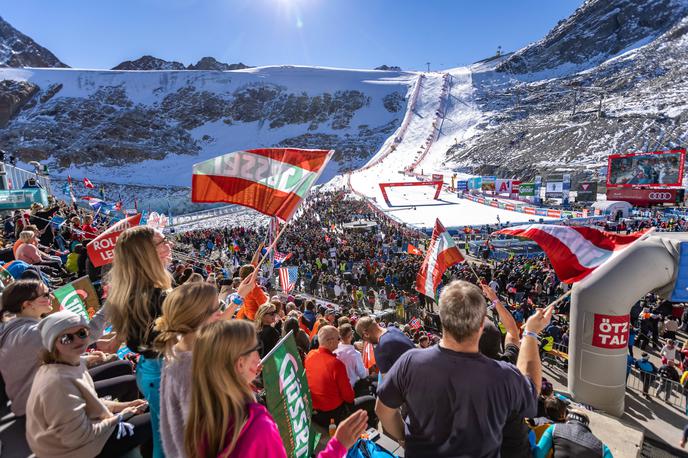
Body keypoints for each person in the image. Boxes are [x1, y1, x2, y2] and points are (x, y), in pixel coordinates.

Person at [375, 280, 548, 457]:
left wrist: (404, 437)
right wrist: (531, 333)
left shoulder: (409, 362)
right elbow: (532, 386)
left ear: (442, 319)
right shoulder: (504, 376)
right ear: (481, 325)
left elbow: (383, 410)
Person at [185, 320, 368, 457]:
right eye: (254, 349)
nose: (259, 357)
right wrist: (338, 445)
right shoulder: (257, 424)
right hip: (331, 414)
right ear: (240, 364)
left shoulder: (201, 410)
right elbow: (347, 395)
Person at [25, 310, 151, 458]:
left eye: (82, 333)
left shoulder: (67, 362)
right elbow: (77, 438)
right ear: (52, 345)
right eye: (66, 338)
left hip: (78, 439)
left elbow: (89, 403)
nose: (78, 340)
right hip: (77, 451)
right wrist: (120, 416)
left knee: (148, 406)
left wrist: (124, 406)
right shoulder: (59, 384)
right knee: (158, 417)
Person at [106, 226, 173, 458]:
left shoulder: (138, 291)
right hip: (163, 372)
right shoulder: (153, 296)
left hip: (154, 370)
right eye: (161, 242)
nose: (168, 246)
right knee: (170, 445)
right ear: (144, 253)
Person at [0, 279, 113, 417]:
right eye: (46, 295)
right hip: (46, 406)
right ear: (28, 304)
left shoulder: (15, 327)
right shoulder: (32, 332)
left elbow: (40, 364)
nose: (52, 297)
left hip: (34, 399)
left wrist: (86, 359)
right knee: (124, 377)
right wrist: (112, 303)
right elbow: (88, 334)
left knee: (119, 367)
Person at [154, 282, 237, 458]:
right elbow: (201, 438)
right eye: (216, 310)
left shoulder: (182, 347)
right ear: (198, 318)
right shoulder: (190, 369)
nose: (221, 314)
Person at [305, 325, 357, 426]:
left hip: (316, 409)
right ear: (330, 341)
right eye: (338, 338)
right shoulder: (336, 364)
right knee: (370, 400)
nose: (340, 341)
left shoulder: (310, 355)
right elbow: (349, 397)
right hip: (333, 413)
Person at [533, 411, 613, 458]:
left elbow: (537, 455)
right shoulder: (603, 449)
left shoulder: (554, 429)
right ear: (586, 425)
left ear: (567, 420)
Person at [334, 323, 368, 389]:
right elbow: (363, 375)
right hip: (351, 388)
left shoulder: (334, 350)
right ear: (351, 336)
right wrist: (368, 370)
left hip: (338, 387)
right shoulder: (355, 354)